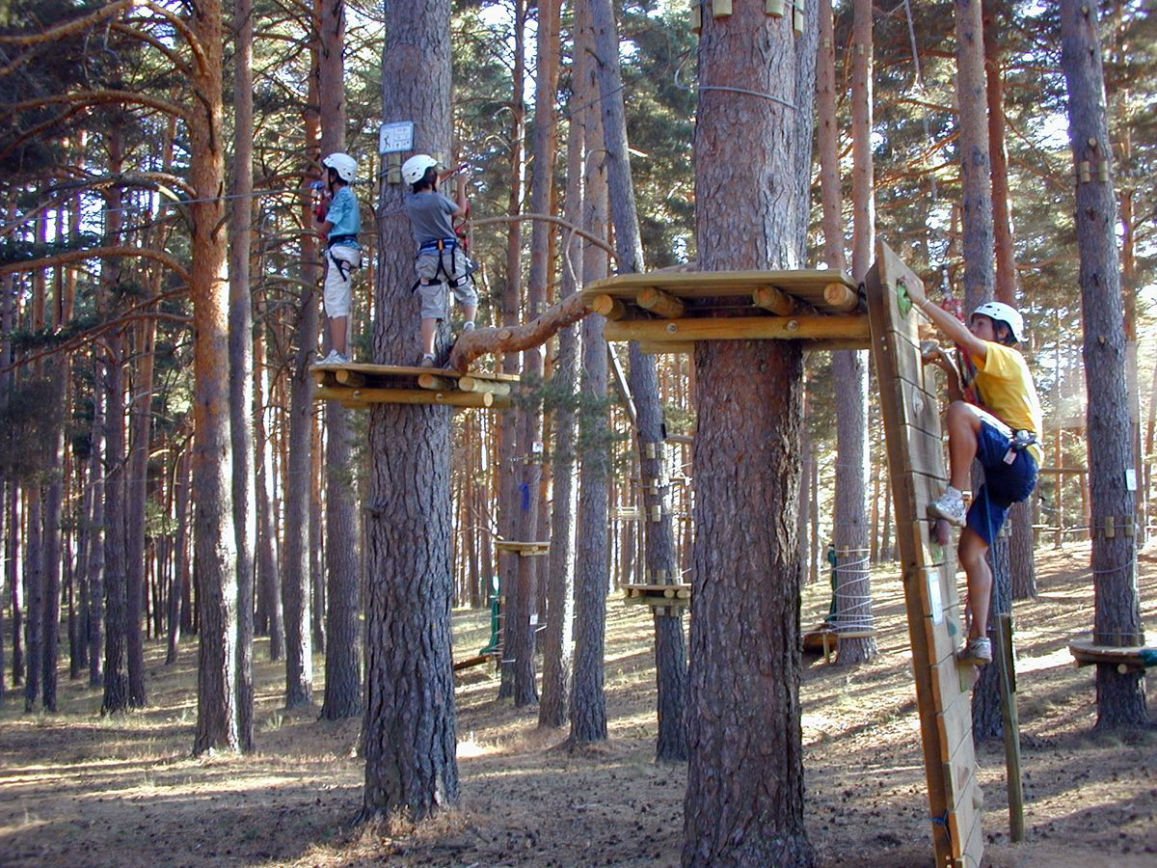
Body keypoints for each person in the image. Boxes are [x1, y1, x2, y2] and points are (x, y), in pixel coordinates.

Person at [910, 287, 1042, 667]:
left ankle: (955, 494)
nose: (973, 328)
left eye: (981, 323)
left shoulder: (1007, 358)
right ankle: (980, 638)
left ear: (1002, 333)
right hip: (1007, 474)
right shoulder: (986, 377)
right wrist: (948, 367)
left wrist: (920, 301)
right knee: (971, 553)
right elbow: (963, 397)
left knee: (960, 412)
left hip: (1020, 459)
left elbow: (963, 407)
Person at [401, 153, 477, 367]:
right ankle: (469, 325)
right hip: (450, 254)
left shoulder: (410, 201)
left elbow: (427, 181)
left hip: (428, 258)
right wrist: (461, 184)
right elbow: (460, 211)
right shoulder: (437, 199)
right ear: (429, 178)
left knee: (430, 308)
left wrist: (450, 172)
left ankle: (428, 355)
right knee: (466, 291)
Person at [315, 152, 361, 365]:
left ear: (335, 175)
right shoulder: (342, 197)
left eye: (326, 171)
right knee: (335, 300)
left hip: (341, 249)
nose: (323, 175)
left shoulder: (343, 196)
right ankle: (338, 352)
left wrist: (313, 211)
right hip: (343, 249)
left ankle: (338, 353)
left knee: (335, 301)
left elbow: (323, 229)